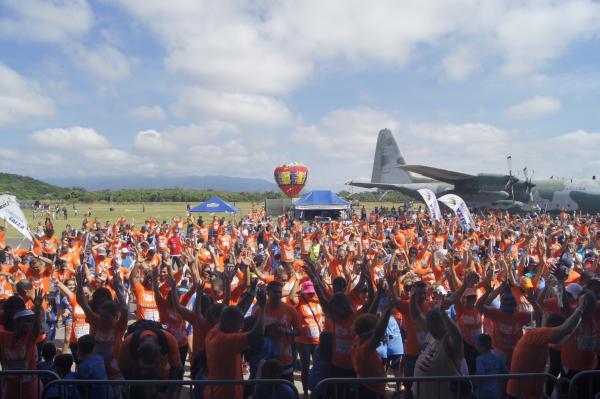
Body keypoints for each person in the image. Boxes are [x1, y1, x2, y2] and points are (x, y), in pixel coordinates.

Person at [204, 286, 266, 399]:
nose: (242, 328)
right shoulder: (226, 341)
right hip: (225, 394)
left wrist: (251, 293)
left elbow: (236, 311)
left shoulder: (214, 331)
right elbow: (256, 335)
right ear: (231, 323)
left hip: (215, 391)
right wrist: (262, 307)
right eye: (240, 324)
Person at [411, 303, 465, 399]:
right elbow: (416, 315)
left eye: (433, 327)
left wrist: (444, 315)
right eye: (429, 327)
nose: (431, 330)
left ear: (442, 323)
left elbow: (457, 337)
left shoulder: (448, 340)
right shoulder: (431, 334)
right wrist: (413, 296)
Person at [75, 334, 114, 399]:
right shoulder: (99, 358)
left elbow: (80, 388)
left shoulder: (83, 367)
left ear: (79, 349)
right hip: (108, 394)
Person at [475, 334, 508, 399]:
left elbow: (480, 374)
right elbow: (507, 373)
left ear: (483, 347)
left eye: (477, 344)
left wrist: (472, 380)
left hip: (483, 393)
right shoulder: (498, 358)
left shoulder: (479, 359)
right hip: (496, 392)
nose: (475, 345)